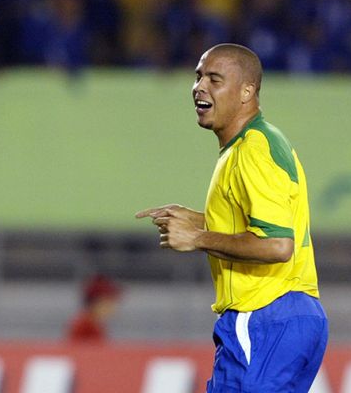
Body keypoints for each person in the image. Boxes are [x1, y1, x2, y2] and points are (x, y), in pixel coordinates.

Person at [136, 43, 327, 392]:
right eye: (197, 77)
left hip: (263, 313)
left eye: (214, 79)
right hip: (294, 314)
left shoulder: (252, 150)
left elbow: (276, 245)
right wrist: (197, 220)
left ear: (246, 92)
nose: (199, 87)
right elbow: (260, 225)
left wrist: (197, 239)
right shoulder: (258, 143)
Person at [66, 274, 121, 343]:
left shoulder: (95, 324)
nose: (113, 307)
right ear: (97, 303)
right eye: (109, 302)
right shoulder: (84, 325)